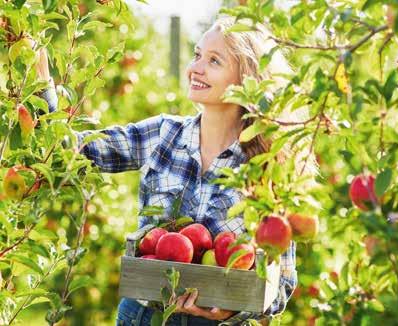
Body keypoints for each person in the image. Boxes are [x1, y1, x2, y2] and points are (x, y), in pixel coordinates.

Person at [37, 15, 304, 326]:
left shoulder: (264, 166)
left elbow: (282, 282)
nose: (196, 68)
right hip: (142, 316)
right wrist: (42, 82)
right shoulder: (163, 135)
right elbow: (74, 153)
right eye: (197, 55)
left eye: (214, 61)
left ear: (245, 82)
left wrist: (234, 311)